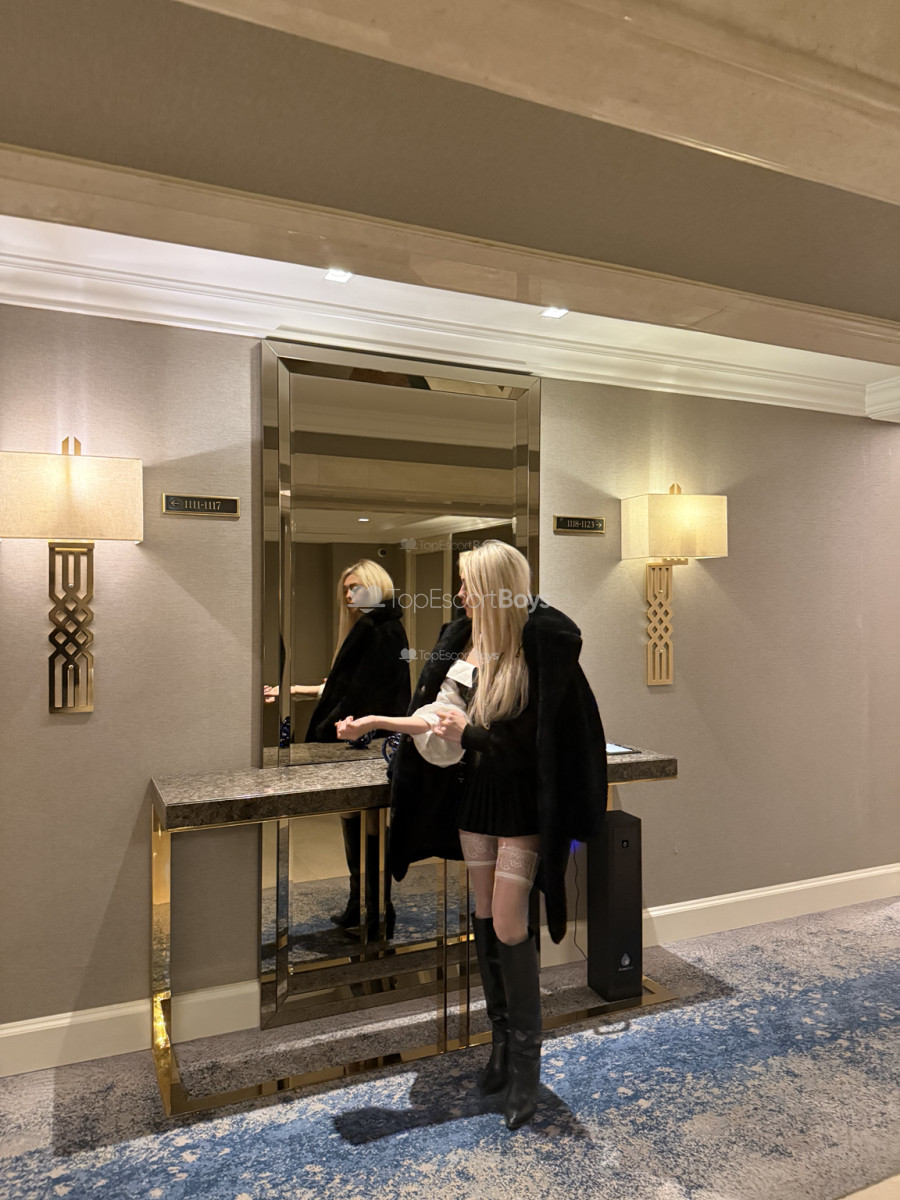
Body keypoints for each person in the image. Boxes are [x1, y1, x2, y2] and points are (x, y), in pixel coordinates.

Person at [336, 541, 607, 1129]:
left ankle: (527, 1067)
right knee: (484, 915)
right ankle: (501, 1045)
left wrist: (472, 736)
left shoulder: (540, 647)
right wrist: (377, 722)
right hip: (476, 800)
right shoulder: (461, 642)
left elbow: (541, 745)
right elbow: (436, 716)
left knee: (510, 922)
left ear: (492, 586)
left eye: (466, 583)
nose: (458, 593)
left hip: (522, 806)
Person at [267, 559, 410, 937]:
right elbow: (344, 688)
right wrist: (292, 691)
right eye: (345, 589)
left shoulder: (376, 629)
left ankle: (374, 908)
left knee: (367, 823)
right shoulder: (381, 628)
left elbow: (357, 693)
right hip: (366, 739)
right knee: (359, 822)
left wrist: (323, 730)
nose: (348, 595)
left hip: (365, 741)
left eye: (356, 587)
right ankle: (364, 904)